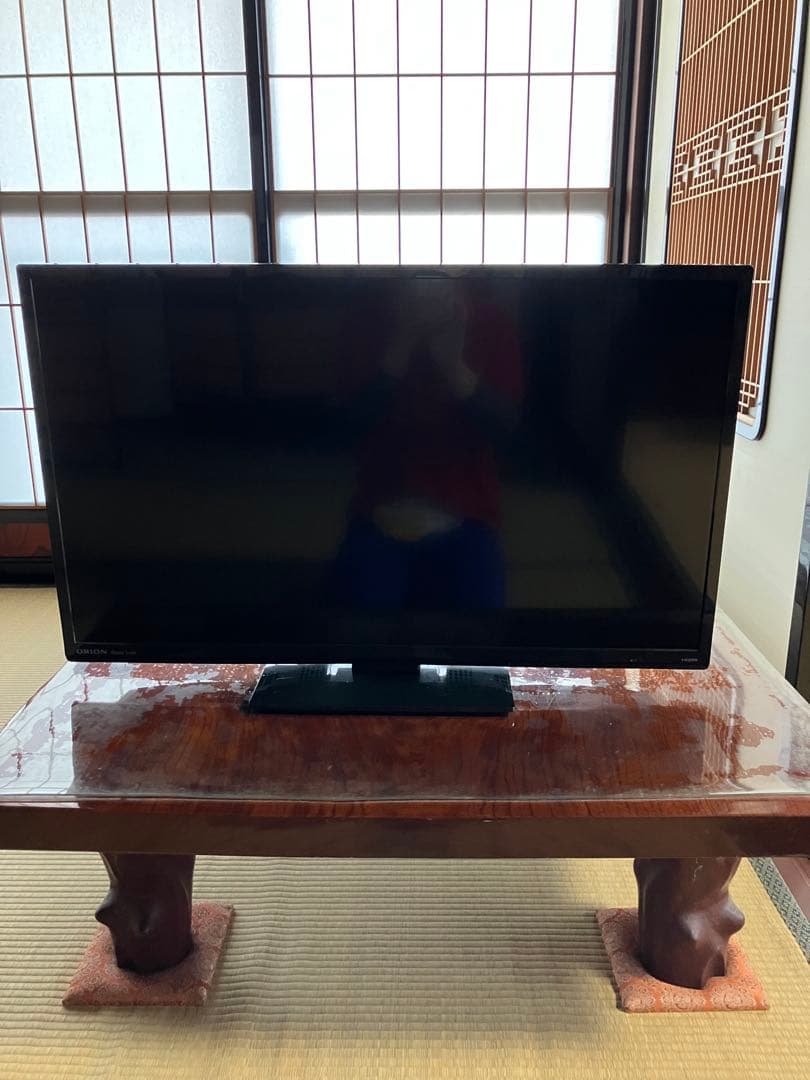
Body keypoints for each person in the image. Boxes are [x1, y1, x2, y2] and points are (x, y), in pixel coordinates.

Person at [330, 278, 523, 611]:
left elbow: (506, 432)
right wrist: (400, 348)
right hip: (379, 511)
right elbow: (346, 429)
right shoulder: (365, 320)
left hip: (469, 514)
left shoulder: (493, 322)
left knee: (482, 628)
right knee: (363, 625)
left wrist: (453, 365)